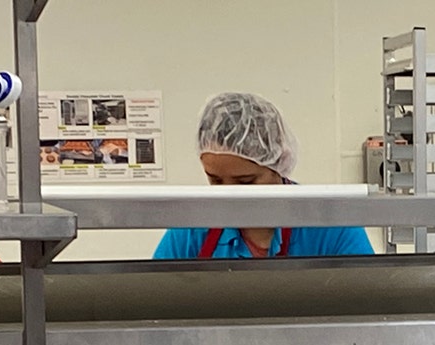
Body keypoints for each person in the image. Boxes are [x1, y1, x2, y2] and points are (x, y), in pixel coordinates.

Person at [153, 93, 374, 259]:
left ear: (279, 163)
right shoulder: (193, 231)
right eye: (215, 180)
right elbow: (154, 303)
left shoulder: (331, 226)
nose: (228, 194)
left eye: (245, 182)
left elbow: (369, 304)